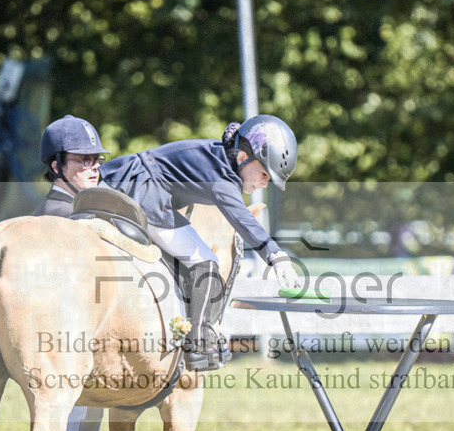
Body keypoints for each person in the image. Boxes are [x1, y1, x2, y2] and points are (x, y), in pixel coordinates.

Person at [98, 114, 302, 371]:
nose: (265, 181)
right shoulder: (222, 179)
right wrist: (276, 256)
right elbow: (242, 220)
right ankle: (199, 346)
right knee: (206, 260)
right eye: (264, 172)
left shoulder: (217, 156)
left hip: (121, 181)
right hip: (144, 194)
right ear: (242, 157)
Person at [24, 115, 107, 431]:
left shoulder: (67, 212)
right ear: (56, 165)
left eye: (96, 159)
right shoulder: (63, 220)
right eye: (82, 160)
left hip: (61, 353)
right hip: (67, 354)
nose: (93, 167)